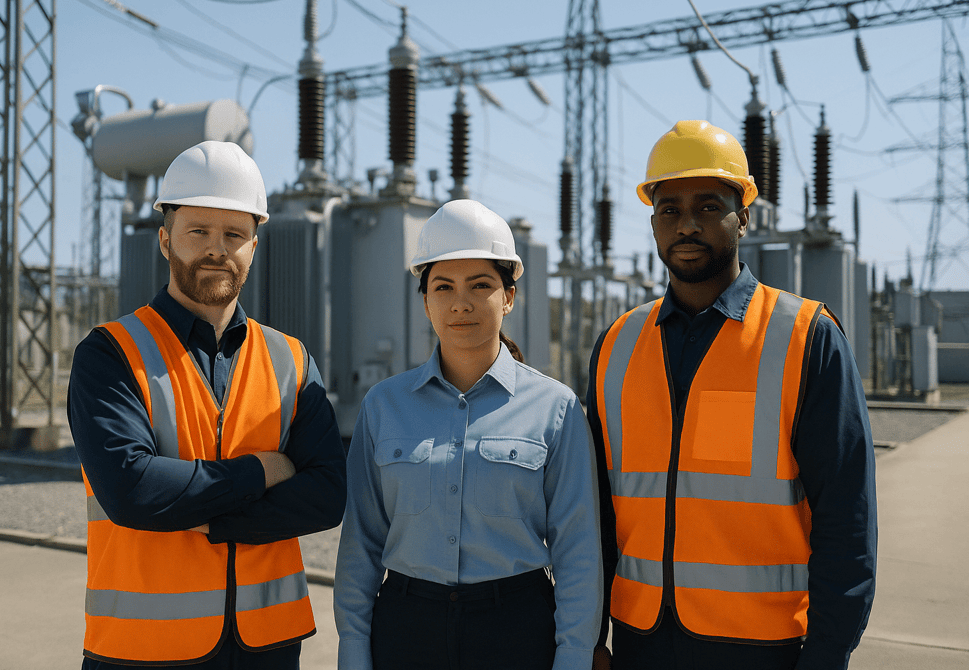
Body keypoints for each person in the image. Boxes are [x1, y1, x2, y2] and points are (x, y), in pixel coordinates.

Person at [586, 120, 877, 670]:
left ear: (743, 215)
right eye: (669, 209)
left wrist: (827, 654)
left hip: (765, 650)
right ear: (652, 223)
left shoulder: (805, 337)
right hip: (640, 643)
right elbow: (597, 514)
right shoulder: (616, 346)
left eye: (708, 206)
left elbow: (847, 519)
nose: (687, 224)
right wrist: (591, 637)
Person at [67, 140, 347, 669]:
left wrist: (209, 519)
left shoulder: (289, 358)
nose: (217, 249)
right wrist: (263, 470)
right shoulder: (110, 354)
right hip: (143, 651)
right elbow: (133, 491)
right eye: (198, 231)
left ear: (254, 247)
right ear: (165, 240)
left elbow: (327, 496)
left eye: (234, 234)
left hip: (266, 646)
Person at [334, 199, 604, 670]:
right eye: (443, 286)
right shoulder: (383, 407)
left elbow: (577, 551)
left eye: (481, 285)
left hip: (517, 632)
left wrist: (574, 655)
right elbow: (361, 546)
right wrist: (354, 651)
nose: (461, 302)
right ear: (425, 301)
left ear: (509, 296)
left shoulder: (556, 408)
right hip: (406, 630)